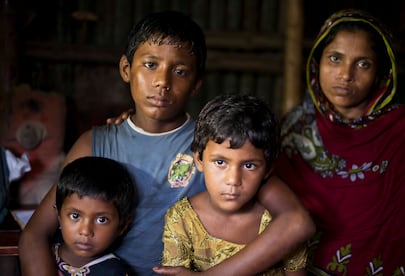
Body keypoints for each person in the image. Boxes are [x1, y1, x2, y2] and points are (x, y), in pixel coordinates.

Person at [19, 10, 314, 276]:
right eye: (150, 64)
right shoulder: (96, 145)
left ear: (197, 82)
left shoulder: (215, 147)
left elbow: (296, 222)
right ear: (126, 69)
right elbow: (35, 234)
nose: (162, 81)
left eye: (180, 71)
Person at [273, 9, 405, 275]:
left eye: (363, 64)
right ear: (317, 62)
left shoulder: (401, 133)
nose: (346, 74)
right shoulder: (293, 128)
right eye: (335, 58)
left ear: (381, 73)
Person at [154, 94, 307, 275]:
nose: (233, 180)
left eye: (249, 165)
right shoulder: (182, 219)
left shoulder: (278, 222)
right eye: (220, 162)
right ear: (199, 159)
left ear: (267, 170)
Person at [54, 156, 136, 275]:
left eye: (101, 220)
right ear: (59, 216)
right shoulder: (42, 252)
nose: (86, 231)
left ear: (122, 225)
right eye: (75, 216)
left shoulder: (115, 272)